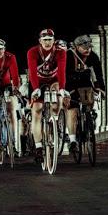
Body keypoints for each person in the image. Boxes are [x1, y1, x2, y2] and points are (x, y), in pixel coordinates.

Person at [27, 28, 69, 161]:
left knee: (57, 98)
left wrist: (62, 88)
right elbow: (32, 72)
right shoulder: (32, 52)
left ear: (54, 41)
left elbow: (62, 71)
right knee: (37, 111)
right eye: (44, 40)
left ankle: (55, 122)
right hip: (37, 81)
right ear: (40, 41)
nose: (47, 42)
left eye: (50, 40)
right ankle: (39, 147)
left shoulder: (60, 52)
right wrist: (35, 89)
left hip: (53, 80)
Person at [65, 35, 106, 153]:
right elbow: (63, 73)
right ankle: (73, 141)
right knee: (72, 110)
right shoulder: (68, 56)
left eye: (89, 47)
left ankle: (89, 120)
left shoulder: (93, 57)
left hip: (85, 83)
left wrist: (101, 89)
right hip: (71, 84)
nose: (88, 50)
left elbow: (98, 74)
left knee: (89, 103)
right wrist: (66, 91)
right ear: (77, 47)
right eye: (85, 47)